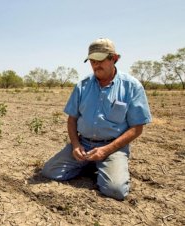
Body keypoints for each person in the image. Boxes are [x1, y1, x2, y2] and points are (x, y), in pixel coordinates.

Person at [41, 38, 152, 200]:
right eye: (92, 61)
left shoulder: (132, 86)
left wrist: (106, 150)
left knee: (115, 190)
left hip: (112, 147)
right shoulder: (82, 86)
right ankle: (90, 164)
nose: (95, 65)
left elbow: (137, 128)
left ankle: (107, 166)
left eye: (100, 60)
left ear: (114, 58)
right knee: (49, 171)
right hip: (84, 144)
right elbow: (72, 120)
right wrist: (76, 145)